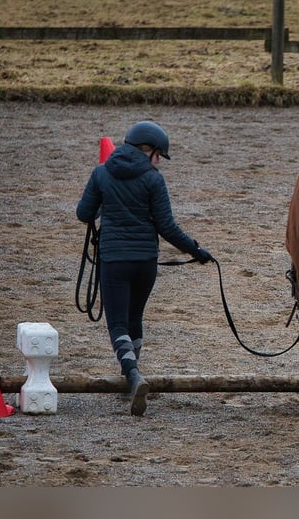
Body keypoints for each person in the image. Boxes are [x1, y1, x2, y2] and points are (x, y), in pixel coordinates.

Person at [76, 120, 214, 416]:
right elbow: (167, 227)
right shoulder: (153, 179)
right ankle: (132, 376)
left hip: (114, 261)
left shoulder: (101, 173)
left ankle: (133, 375)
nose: (158, 163)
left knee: (117, 324)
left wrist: (104, 205)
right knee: (134, 316)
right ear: (148, 150)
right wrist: (197, 250)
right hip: (145, 264)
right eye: (158, 156)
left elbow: (83, 213)